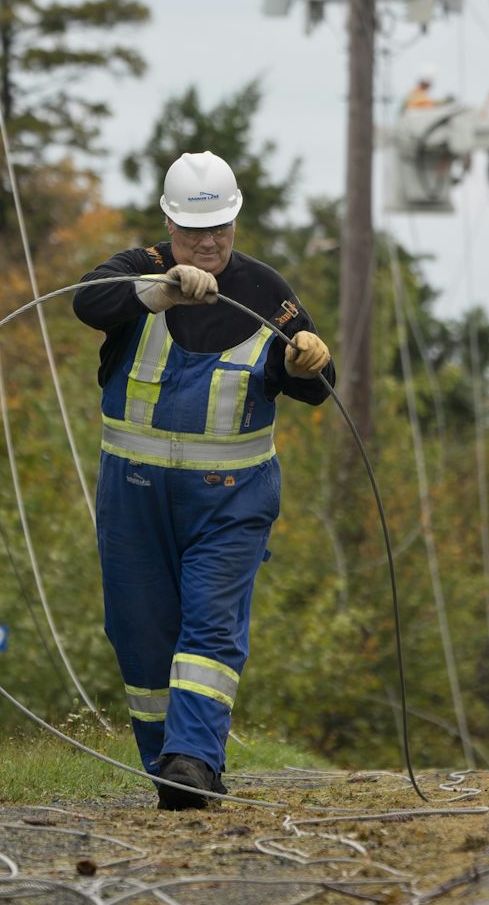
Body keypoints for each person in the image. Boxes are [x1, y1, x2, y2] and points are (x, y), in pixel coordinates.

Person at [72, 151, 334, 810]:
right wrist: (158, 291)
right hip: (134, 499)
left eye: (219, 227)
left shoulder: (266, 290)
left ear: (236, 219)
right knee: (139, 632)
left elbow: (316, 389)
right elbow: (86, 302)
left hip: (231, 501)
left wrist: (307, 364)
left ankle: (194, 761)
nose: (208, 242)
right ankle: (167, 764)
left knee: (211, 628)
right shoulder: (138, 272)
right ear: (168, 222)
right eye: (193, 231)